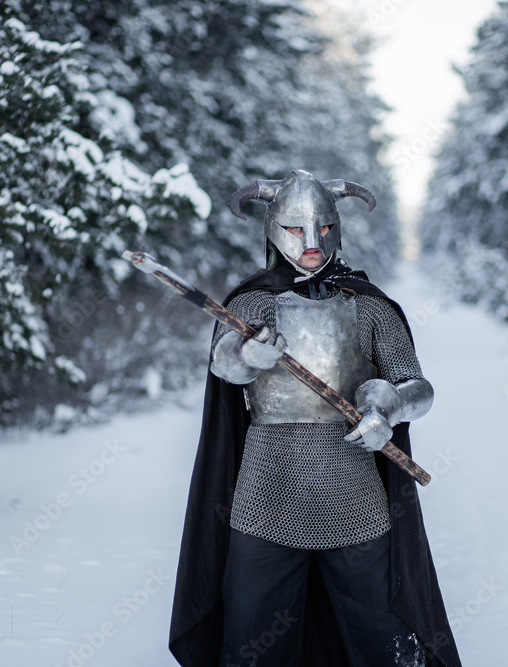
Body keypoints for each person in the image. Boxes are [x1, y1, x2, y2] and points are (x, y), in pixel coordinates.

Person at [168, 170, 462, 667]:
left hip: (355, 493)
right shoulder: (253, 302)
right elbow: (224, 364)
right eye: (296, 230)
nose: (310, 242)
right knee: (253, 641)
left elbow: (419, 388)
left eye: (323, 229)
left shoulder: (367, 305)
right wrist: (247, 356)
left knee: (379, 634)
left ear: (337, 229)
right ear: (272, 229)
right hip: (267, 492)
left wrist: (387, 406)